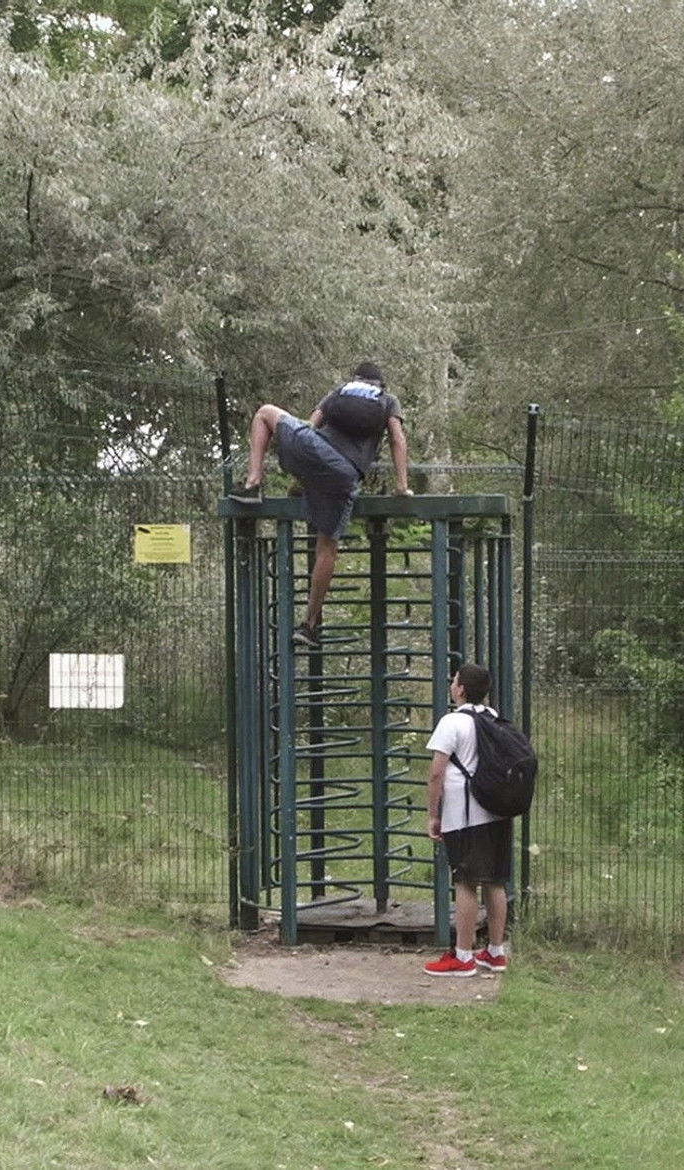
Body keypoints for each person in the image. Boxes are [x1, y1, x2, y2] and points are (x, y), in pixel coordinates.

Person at [228, 361, 412, 648]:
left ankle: (252, 484)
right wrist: (402, 486)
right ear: (381, 384)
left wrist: (299, 461)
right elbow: (397, 440)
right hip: (344, 473)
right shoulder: (388, 401)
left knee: (264, 413)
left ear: (356, 379)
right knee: (327, 548)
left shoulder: (340, 391)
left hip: (311, 451)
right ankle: (310, 624)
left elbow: (309, 426)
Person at [423, 662, 511, 977]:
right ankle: (496, 952)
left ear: (460, 688)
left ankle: (462, 956)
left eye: (454, 680)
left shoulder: (452, 722)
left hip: (464, 815)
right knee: (496, 880)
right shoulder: (495, 718)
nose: (452, 684)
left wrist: (433, 815)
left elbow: (436, 773)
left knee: (465, 881)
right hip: (497, 811)